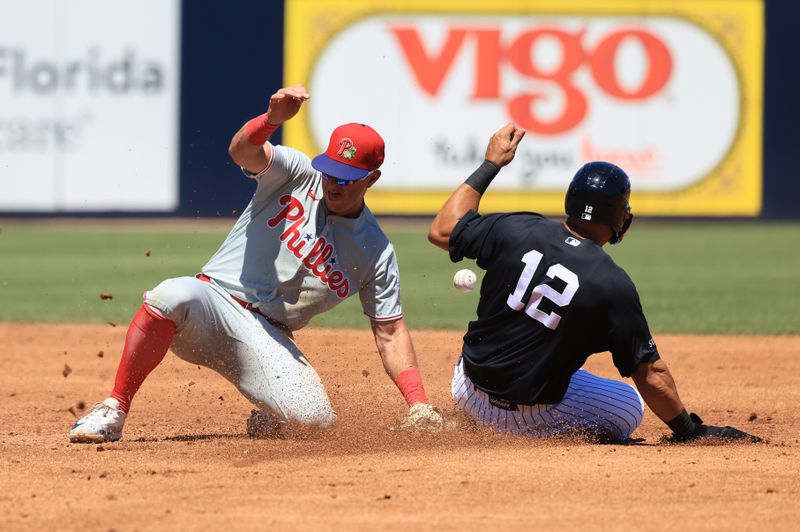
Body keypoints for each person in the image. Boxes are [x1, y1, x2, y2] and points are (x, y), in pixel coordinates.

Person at [69, 85, 443, 443]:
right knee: (172, 294)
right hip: (213, 305)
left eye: (347, 178)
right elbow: (242, 152)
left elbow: (390, 333)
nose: (334, 183)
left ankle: (273, 416)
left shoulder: (375, 251)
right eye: (331, 171)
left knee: (317, 423)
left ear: (371, 179)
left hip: (268, 337)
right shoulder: (297, 172)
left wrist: (419, 403)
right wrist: (270, 119)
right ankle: (114, 407)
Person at [427, 123, 761, 443]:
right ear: (618, 216)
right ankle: (533, 435)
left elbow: (442, 230)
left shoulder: (518, 227)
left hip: (467, 389)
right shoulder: (610, 282)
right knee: (629, 405)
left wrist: (491, 163)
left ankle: (476, 421)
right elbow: (650, 373)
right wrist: (689, 431)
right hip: (527, 415)